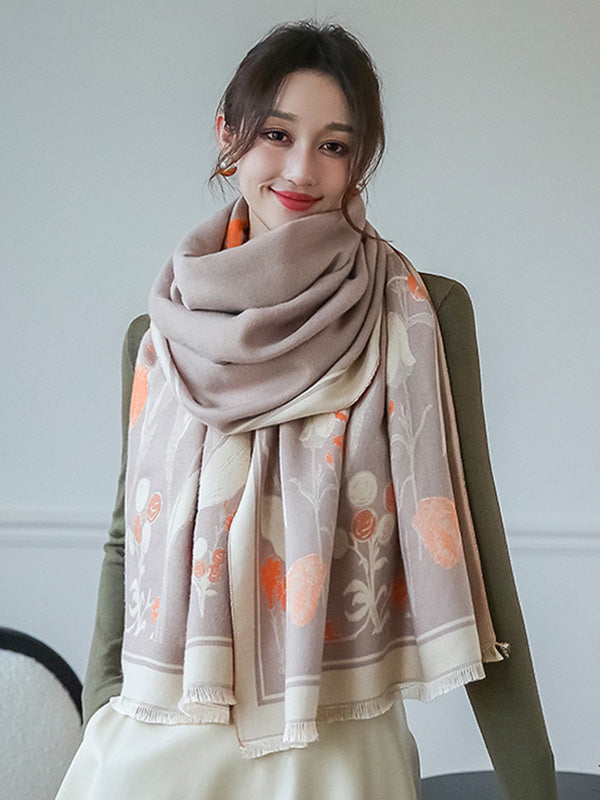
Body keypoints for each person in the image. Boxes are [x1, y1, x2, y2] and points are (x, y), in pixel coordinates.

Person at [57, 21, 557, 800]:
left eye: (334, 145)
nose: (301, 168)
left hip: (335, 752)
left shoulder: (419, 315)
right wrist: (100, 719)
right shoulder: (156, 340)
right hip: (152, 745)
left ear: (361, 161)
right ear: (228, 137)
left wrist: (534, 783)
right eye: (276, 134)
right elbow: (128, 545)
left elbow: (472, 549)